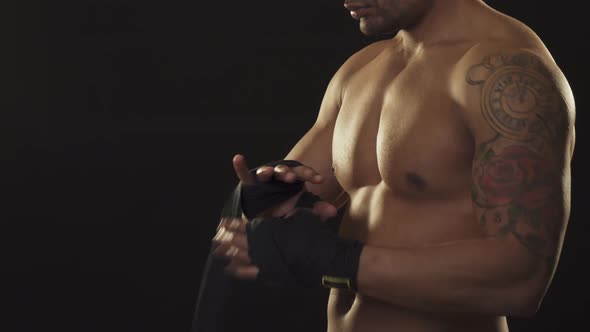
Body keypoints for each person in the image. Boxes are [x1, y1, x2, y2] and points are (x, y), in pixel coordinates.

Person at [211, 0, 576, 331]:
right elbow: (292, 205)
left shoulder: (508, 76)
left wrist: (333, 260)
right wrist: (267, 199)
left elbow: (520, 281)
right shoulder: (362, 69)